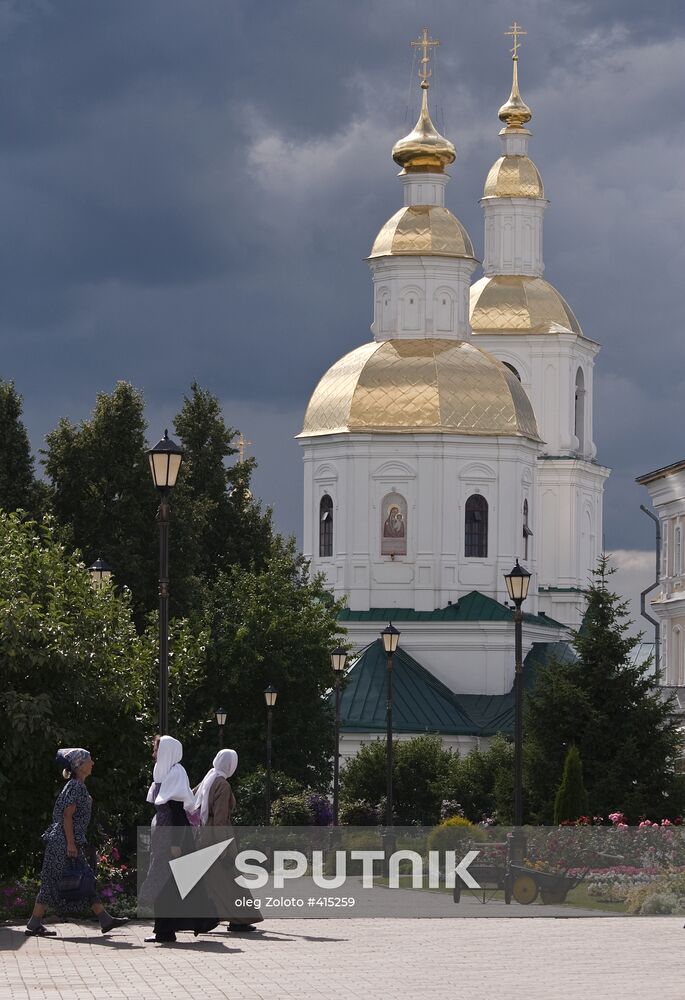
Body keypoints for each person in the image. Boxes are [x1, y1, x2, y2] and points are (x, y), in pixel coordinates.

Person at [25, 747, 128, 937]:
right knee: (53, 882)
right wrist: (71, 844)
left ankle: (105, 919)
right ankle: (34, 924)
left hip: (64, 840)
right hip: (63, 842)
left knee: (84, 878)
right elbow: (67, 815)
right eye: (90, 760)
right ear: (80, 766)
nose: (93, 763)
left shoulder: (77, 785)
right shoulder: (76, 786)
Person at [141, 735, 218, 944]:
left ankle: (165, 930)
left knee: (165, 882)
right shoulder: (163, 772)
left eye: (156, 749)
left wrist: (175, 843)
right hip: (165, 834)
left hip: (173, 836)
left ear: (166, 751)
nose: (154, 754)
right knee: (168, 883)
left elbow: (176, 811)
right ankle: (165, 930)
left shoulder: (175, 773)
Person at [194, 749, 263, 933]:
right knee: (232, 880)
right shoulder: (222, 785)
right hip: (217, 837)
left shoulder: (208, 780)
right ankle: (240, 919)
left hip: (203, 834)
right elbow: (220, 819)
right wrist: (224, 850)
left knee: (213, 880)